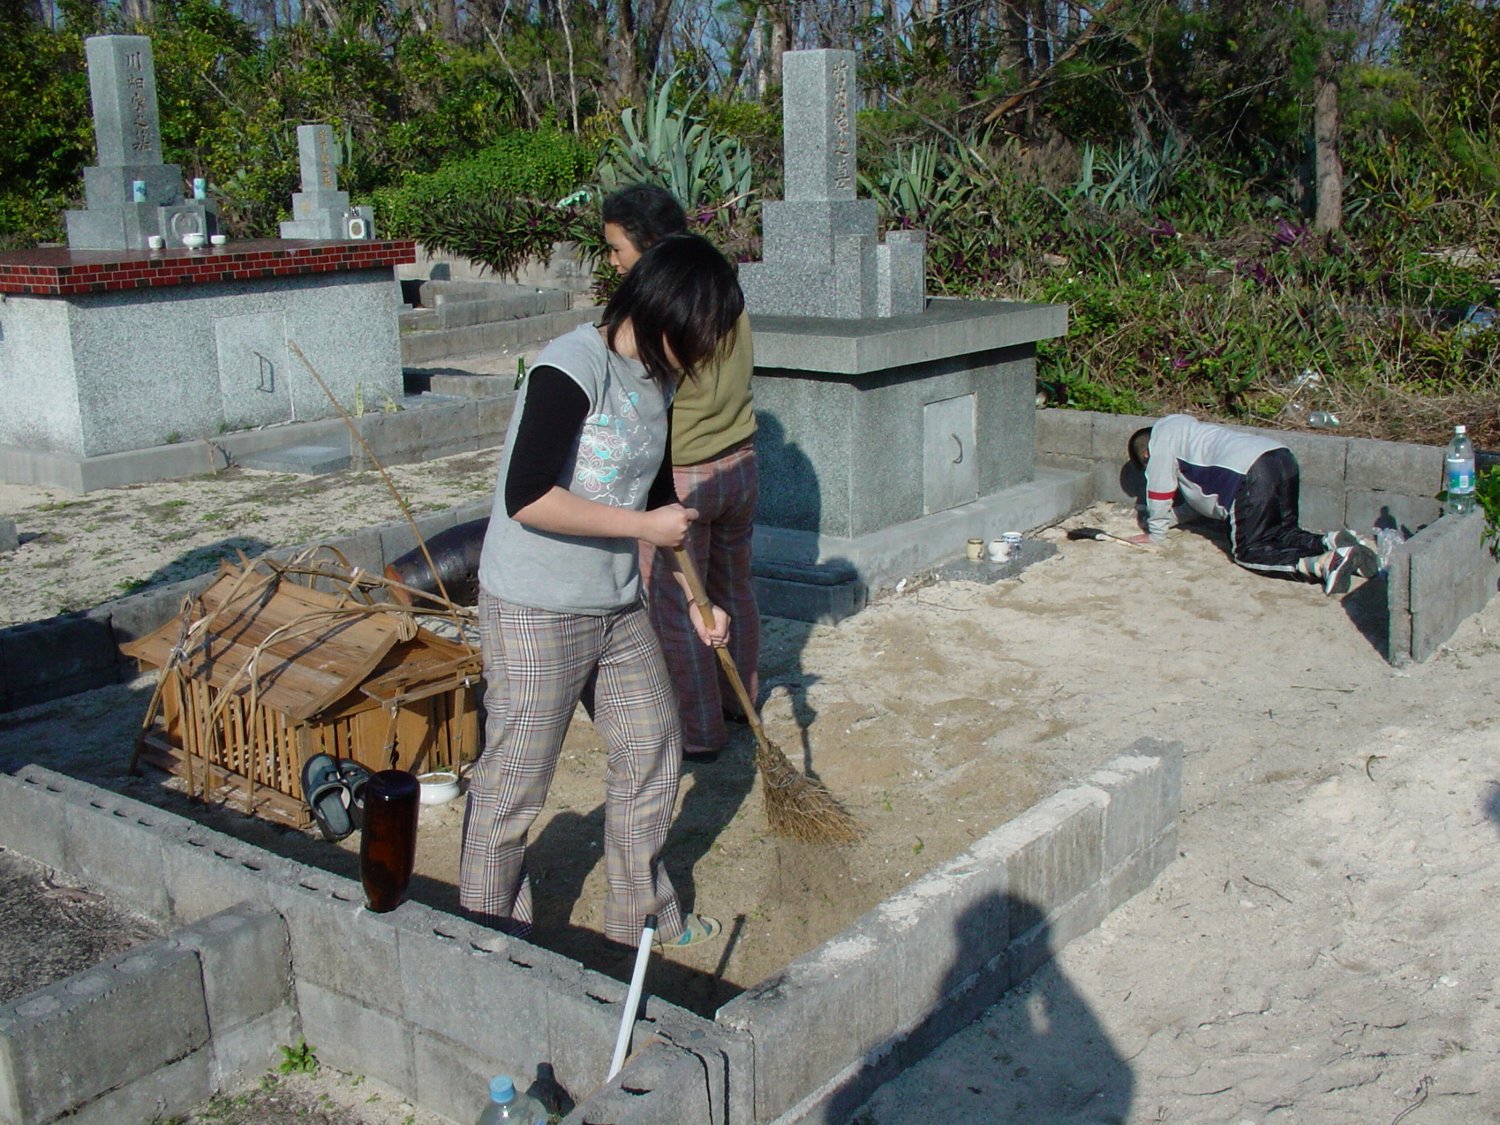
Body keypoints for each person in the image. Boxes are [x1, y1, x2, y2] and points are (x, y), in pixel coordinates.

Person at [458, 232, 743, 949]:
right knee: (514, 783)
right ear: (661, 310)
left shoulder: (661, 379)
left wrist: (699, 600)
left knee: (653, 747)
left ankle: (638, 924)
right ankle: (491, 941)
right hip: (535, 604)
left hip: (615, 603)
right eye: (699, 335)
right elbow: (527, 497)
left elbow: (657, 498)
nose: (703, 355)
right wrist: (642, 524)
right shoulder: (569, 369)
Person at [603, 184, 760, 762]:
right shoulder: (722, 286)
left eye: (618, 249)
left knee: (679, 609)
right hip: (740, 462)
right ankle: (738, 702)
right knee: (731, 591)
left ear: (648, 245)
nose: (614, 262)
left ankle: (698, 733)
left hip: (683, 477)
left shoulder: (662, 304)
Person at [1126, 414, 1378, 595]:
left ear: (1146, 455)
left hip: (1251, 473)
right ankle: (1333, 542)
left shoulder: (1160, 446)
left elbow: (1159, 491)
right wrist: (1173, 520)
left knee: (1249, 551)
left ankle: (1323, 564)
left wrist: (1156, 533)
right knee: (1281, 532)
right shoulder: (1188, 436)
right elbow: (1199, 502)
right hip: (1280, 457)